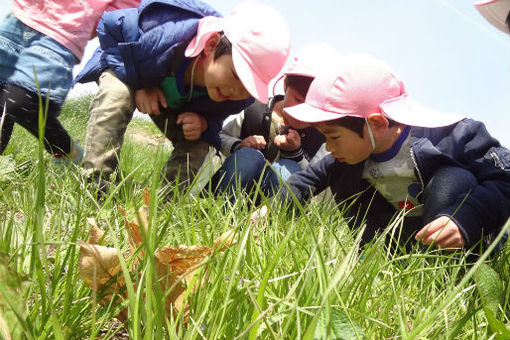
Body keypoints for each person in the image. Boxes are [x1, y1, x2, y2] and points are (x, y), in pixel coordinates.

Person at [279, 53, 510, 251]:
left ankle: (448, 277)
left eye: (334, 136)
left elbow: (505, 176)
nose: (328, 146)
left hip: (467, 235)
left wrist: (468, 217)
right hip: (407, 238)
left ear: (377, 124)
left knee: (452, 180)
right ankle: (372, 262)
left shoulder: (451, 137)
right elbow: (305, 181)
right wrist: (268, 213)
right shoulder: (350, 156)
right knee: (341, 177)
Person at [73, 0, 290, 193]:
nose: (236, 91)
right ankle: (96, 183)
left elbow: (216, 121)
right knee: (117, 95)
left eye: (248, 87)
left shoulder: (238, 98)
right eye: (236, 76)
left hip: (173, 107)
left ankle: (164, 201)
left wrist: (204, 123)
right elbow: (110, 26)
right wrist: (140, 83)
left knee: (199, 141)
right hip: (127, 70)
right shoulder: (164, 33)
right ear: (211, 45)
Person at [0, 0, 140, 162]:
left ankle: (68, 152)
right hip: (20, 16)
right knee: (3, 99)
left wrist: (83, 23)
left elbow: (124, 12)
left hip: (60, 34)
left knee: (21, 103)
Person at [208, 44, 340, 202]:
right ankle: (223, 211)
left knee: (287, 170)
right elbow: (221, 137)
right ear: (285, 85)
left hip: (278, 202)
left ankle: (269, 222)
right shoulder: (254, 110)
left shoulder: (325, 137)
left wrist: (296, 155)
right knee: (247, 158)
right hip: (238, 190)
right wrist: (239, 145)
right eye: (297, 100)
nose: (301, 112)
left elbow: (319, 181)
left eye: (312, 107)